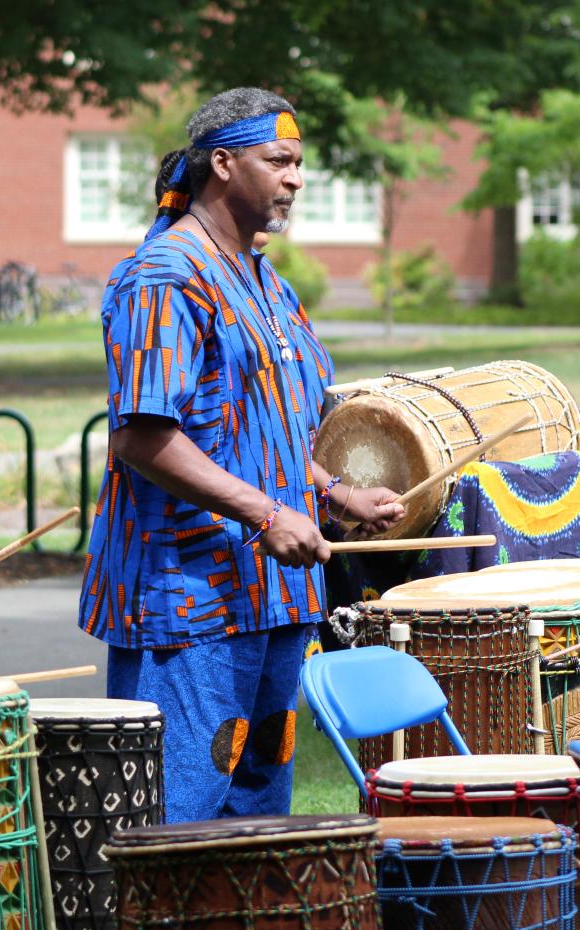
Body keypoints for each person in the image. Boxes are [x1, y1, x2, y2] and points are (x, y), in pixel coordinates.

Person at [79, 88, 405, 823]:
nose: (294, 178)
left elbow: (264, 425)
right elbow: (141, 436)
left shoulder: (267, 280)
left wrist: (331, 495)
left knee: (257, 816)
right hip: (189, 600)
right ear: (221, 164)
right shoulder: (165, 276)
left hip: (273, 593)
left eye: (298, 164)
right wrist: (265, 513)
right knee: (180, 814)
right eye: (278, 161)